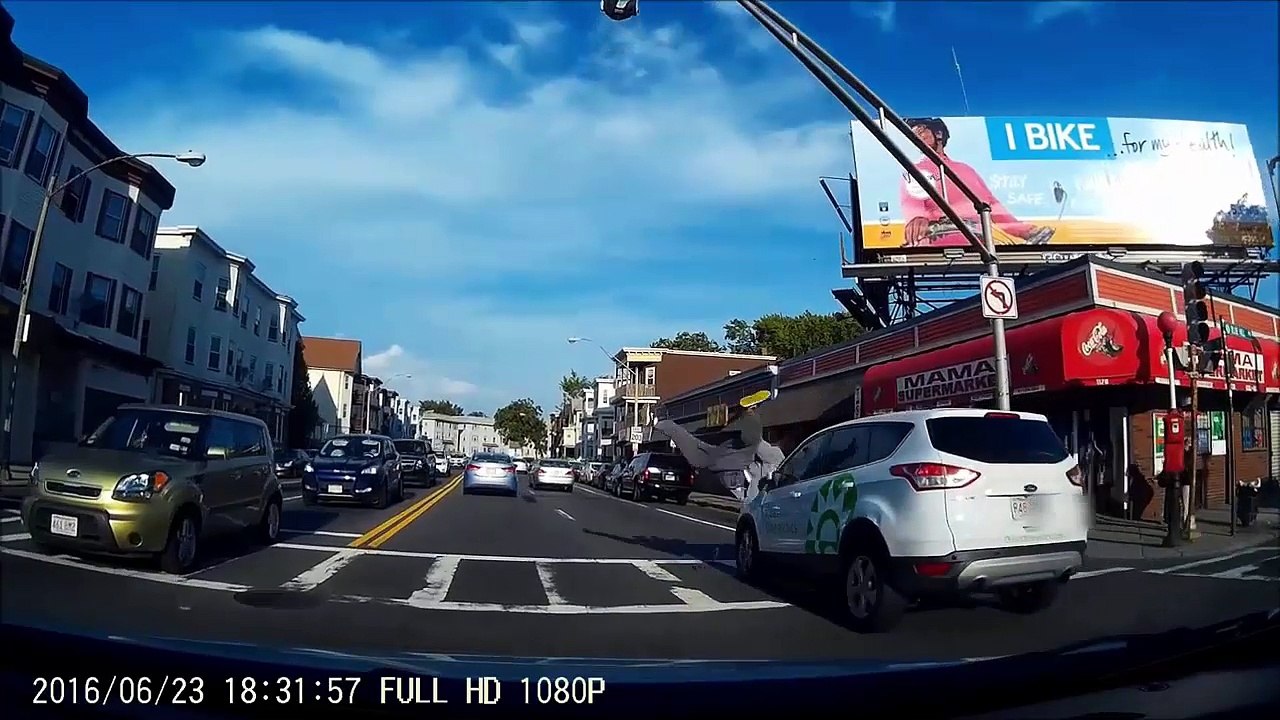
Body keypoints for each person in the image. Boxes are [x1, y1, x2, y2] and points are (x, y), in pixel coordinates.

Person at [899, 117, 1055, 248]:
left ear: (938, 133)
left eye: (921, 130)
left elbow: (991, 205)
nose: (917, 136)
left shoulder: (965, 169)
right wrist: (916, 218)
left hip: (979, 246)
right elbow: (912, 201)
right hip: (936, 245)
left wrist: (1025, 231)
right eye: (913, 133)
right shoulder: (916, 170)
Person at [654, 404, 785, 506]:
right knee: (701, 452)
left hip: (734, 473)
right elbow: (756, 442)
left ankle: (664, 424)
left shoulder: (775, 461)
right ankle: (664, 424)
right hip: (735, 472)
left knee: (701, 452)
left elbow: (755, 442)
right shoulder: (778, 458)